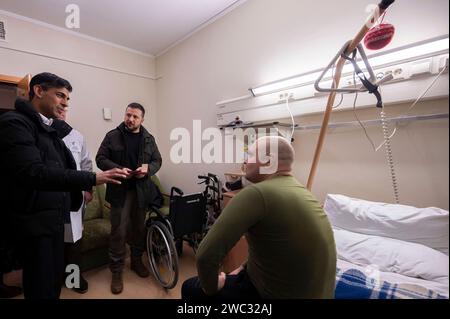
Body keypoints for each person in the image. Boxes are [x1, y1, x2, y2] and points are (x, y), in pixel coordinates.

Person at [0, 72, 129, 299]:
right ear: (38, 91)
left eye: (68, 100)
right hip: (37, 223)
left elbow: (81, 164)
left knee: (60, 269)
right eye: (60, 96)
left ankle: (73, 278)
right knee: (41, 283)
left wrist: (86, 190)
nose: (65, 104)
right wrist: (91, 180)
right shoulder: (15, 123)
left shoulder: (58, 133)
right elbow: (35, 172)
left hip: (60, 215)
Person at [182, 136, 337, 299]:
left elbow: (205, 256)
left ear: (268, 162)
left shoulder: (257, 194)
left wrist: (212, 288)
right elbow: (274, 249)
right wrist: (243, 268)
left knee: (190, 287)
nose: (245, 162)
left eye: (249, 155)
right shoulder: (303, 192)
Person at [96, 102, 162, 294]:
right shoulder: (112, 135)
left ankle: (136, 262)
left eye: (135, 117)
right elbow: (100, 158)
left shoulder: (149, 138)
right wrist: (116, 169)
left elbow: (157, 160)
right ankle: (116, 272)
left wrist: (148, 169)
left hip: (141, 191)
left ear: (142, 119)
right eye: (128, 115)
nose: (130, 119)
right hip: (119, 192)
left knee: (139, 229)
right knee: (119, 232)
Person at [52, 106, 93, 294]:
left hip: (74, 199)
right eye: (56, 107)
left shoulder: (77, 137)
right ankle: (54, 279)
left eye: (64, 108)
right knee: (54, 242)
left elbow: (86, 163)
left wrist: (88, 189)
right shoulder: (40, 134)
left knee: (73, 240)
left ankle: (73, 279)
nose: (61, 111)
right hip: (51, 200)